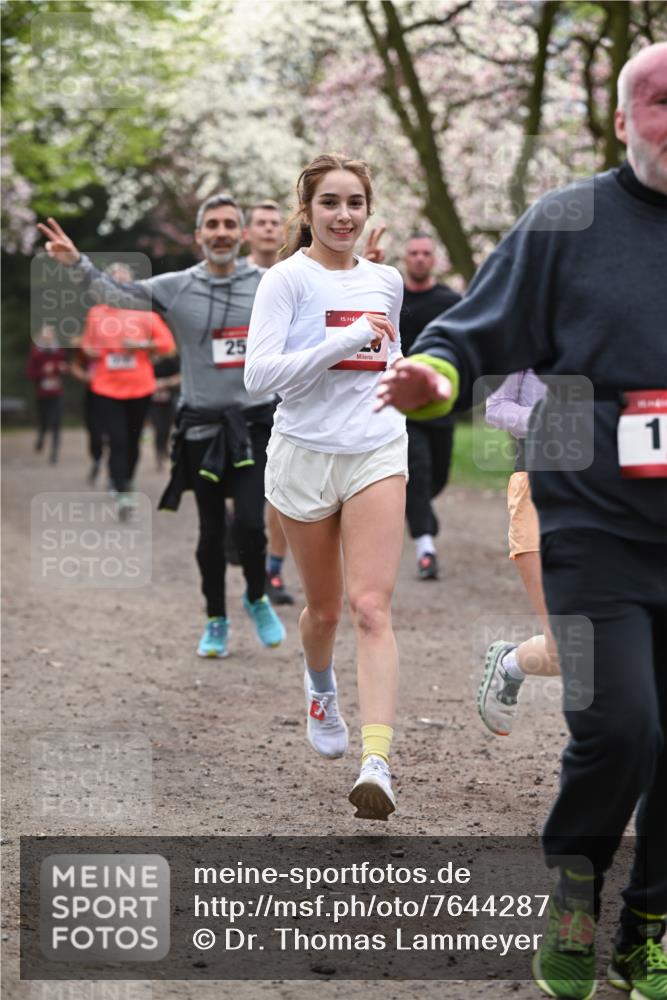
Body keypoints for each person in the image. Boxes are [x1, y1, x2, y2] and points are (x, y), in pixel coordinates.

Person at [376, 42, 667, 1000]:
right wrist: (434, 378)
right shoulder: (568, 221)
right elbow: (471, 333)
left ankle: (648, 925)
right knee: (618, 725)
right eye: (659, 103)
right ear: (623, 121)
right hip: (591, 526)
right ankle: (577, 887)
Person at [37, 198, 287, 656]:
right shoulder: (178, 286)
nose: (222, 232)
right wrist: (78, 264)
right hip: (201, 428)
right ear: (199, 236)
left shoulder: (270, 284)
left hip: (254, 425)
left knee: (251, 524)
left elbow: (317, 302)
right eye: (212, 225)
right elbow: (119, 296)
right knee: (211, 532)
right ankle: (216, 619)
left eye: (230, 224)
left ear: (243, 234)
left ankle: (256, 597)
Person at [245, 153, 407, 822]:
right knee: (325, 612)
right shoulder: (285, 281)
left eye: (354, 203)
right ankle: (319, 686)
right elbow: (260, 376)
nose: (343, 215)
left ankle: (377, 762)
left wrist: (411, 379)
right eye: (330, 203)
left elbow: (388, 358)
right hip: (304, 455)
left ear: (368, 210)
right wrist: (338, 345)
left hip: (375, 446)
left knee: (371, 608)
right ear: (306, 210)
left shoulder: (387, 279)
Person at [478, 370, 560, 736]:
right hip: (538, 483)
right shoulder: (532, 329)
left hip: (614, 491)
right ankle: (511, 663)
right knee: (567, 645)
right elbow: (496, 408)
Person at [79, 263, 177, 514]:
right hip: (106, 387)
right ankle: (121, 487)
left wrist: (142, 344)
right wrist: (91, 350)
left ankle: (127, 479)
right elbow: (87, 347)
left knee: (132, 440)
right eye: (114, 281)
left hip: (140, 387)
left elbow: (168, 346)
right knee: (117, 438)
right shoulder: (97, 314)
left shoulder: (146, 314)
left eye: (124, 281)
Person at [400, 234, 461, 579]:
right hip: (404, 409)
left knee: (435, 478)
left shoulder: (450, 302)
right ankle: (426, 549)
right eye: (414, 254)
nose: (420, 259)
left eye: (426, 253)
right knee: (418, 471)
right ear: (405, 259)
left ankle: (421, 511)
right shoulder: (393, 299)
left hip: (441, 406)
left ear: (434, 259)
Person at [26, 323, 67, 464]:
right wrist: (43, 371)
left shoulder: (60, 352)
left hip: (57, 393)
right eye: (45, 335)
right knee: (44, 422)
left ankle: (54, 454)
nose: (48, 337)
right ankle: (41, 438)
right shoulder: (36, 354)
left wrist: (61, 368)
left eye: (50, 334)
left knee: (56, 423)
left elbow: (65, 368)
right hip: (42, 394)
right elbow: (29, 373)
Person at [69, 342, 107, 484]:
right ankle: (97, 460)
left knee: (115, 435)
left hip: (117, 395)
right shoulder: (86, 345)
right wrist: (85, 376)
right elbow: (75, 365)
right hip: (93, 395)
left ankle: (116, 472)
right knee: (94, 433)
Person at [149, 353, 181, 472]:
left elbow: (180, 376)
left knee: (167, 428)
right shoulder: (145, 360)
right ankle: (159, 454)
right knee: (159, 428)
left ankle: (163, 448)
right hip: (152, 403)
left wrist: (164, 383)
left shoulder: (171, 361)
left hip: (169, 401)